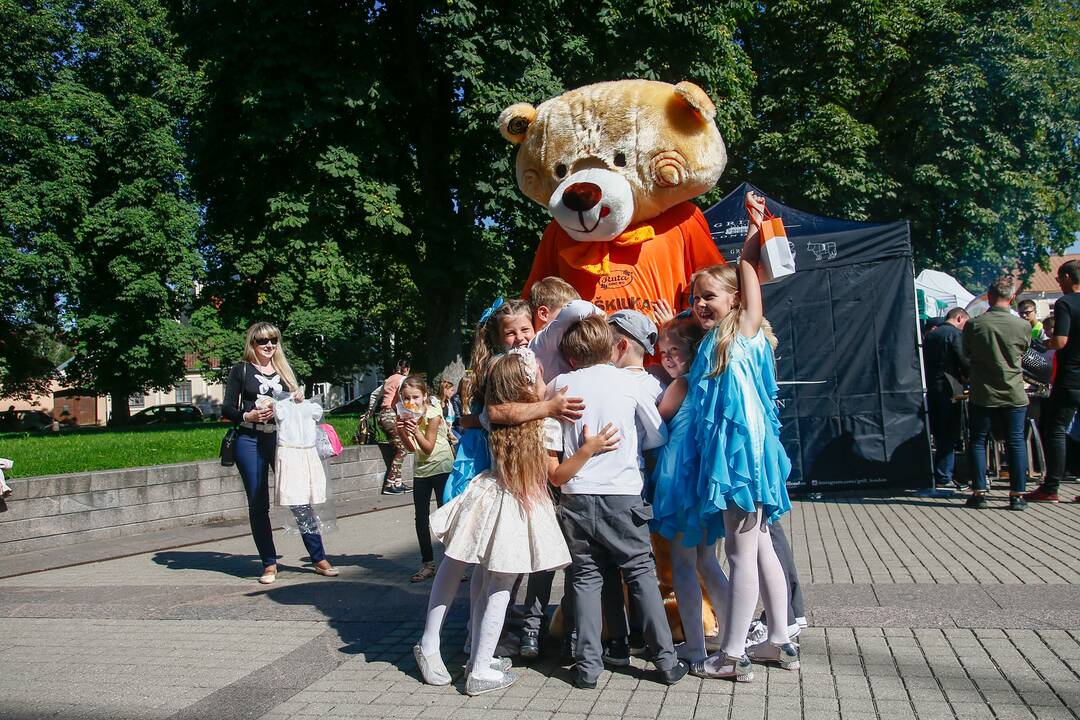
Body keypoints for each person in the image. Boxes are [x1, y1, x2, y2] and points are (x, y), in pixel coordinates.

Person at [414, 349, 575, 695]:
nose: (546, 382)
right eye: (541, 376)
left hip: (489, 493)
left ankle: (474, 654)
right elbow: (555, 474)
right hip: (518, 504)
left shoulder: (495, 417)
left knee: (479, 573)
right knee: (499, 583)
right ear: (527, 386)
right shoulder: (546, 424)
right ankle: (480, 667)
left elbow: (497, 410)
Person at [690, 193, 797, 681]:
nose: (700, 305)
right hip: (746, 455)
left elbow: (748, 266)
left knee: (739, 551)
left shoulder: (744, 331)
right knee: (762, 549)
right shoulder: (719, 340)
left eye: (709, 296)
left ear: (735, 300)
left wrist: (755, 230)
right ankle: (779, 640)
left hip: (743, 459)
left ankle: (733, 654)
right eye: (695, 299)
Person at [549, 314, 689, 689]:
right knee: (641, 573)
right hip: (623, 493)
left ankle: (588, 667)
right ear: (611, 347)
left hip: (575, 496)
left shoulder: (559, 384)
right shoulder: (628, 384)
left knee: (586, 578)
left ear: (572, 355)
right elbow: (656, 436)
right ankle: (665, 661)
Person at [222, 322, 338, 584]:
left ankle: (318, 558)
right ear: (252, 343)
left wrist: (297, 399)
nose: (269, 346)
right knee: (258, 501)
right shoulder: (240, 370)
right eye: (263, 341)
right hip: (249, 438)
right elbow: (227, 408)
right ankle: (269, 563)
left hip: (283, 439)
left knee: (299, 498)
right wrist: (247, 414)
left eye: (273, 340)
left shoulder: (285, 370)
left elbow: (298, 407)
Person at [649, 316, 729, 672]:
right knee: (707, 562)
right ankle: (731, 637)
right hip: (701, 481)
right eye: (663, 352)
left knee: (684, 565)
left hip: (678, 481)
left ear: (692, 350)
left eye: (674, 351)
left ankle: (695, 647)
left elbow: (655, 420)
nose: (667, 358)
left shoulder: (680, 385)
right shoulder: (710, 381)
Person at [962, 276, 1031, 511]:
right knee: (1015, 442)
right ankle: (1017, 495)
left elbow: (967, 352)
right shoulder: (1023, 325)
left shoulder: (974, 324)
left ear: (989, 297)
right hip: (1013, 392)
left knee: (978, 441)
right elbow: (1025, 350)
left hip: (983, 393)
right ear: (1012, 298)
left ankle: (979, 492)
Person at [1029, 259, 1080, 503]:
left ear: (1069, 278)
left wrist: (1045, 344)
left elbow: (1060, 341)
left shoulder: (1065, 303)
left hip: (1070, 377)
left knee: (1055, 429)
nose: (1058, 283)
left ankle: (1051, 488)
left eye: (1059, 278)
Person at [396, 377, 455, 583]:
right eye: (406, 398)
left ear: (424, 396)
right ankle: (428, 564)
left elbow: (428, 447)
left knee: (445, 515)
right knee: (420, 518)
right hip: (421, 470)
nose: (411, 401)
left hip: (440, 466)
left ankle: (453, 565)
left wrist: (413, 430)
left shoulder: (433, 413)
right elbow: (411, 449)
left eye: (415, 397)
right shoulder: (405, 414)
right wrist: (401, 430)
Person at [923, 307, 971, 489]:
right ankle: (945, 476)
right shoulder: (954, 334)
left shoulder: (931, 336)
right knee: (949, 433)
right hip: (950, 388)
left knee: (940, 433)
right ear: (959, 318)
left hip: (933, 387)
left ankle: (942, 473)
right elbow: (964, 361)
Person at [374, 357, 412, 495]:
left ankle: (398, 483)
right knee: (402, 450)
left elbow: (374, 395)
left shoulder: (388, 379)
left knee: (399, 448)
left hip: (384, 415)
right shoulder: (402, 380)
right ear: (406, 368)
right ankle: (390, 484)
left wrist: (370, 411)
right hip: (391, 416)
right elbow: (403, 399)